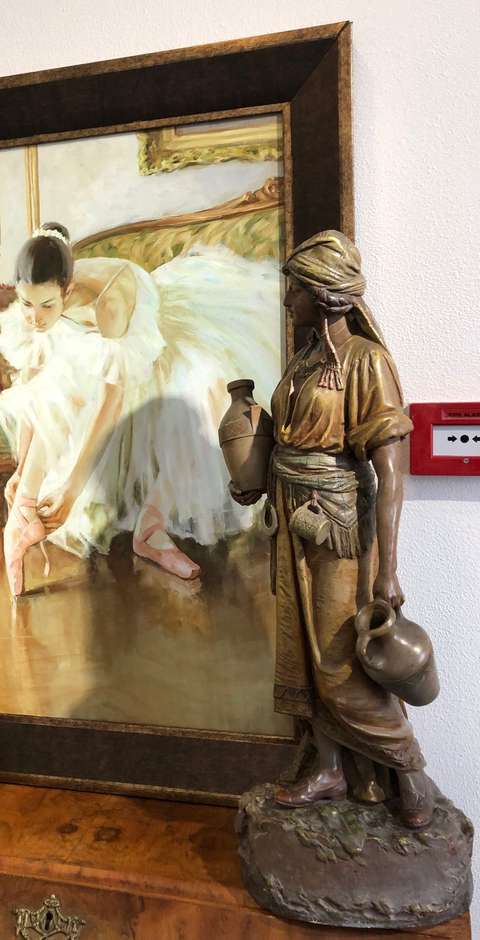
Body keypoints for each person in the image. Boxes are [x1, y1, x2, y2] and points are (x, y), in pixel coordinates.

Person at [232, 231, 433, 829]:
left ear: (322, 294)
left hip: (338, 528)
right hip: (292, 520)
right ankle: (328, 768)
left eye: (294, 288)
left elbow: (391, 472)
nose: (286, 298)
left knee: (340, 662)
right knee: (301, 652)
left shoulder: (367, 363)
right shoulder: (304, 362)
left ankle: (408, 769)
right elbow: (288, 444)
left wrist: (389, 570)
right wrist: (255, 477)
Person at [0, 223, 282, 596]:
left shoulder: (109, 304)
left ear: (67, 289)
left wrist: (71, 490)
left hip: (159, 329)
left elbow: (112, 402)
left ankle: (150, 528)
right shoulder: (36, 298)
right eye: (26, 304)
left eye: (47, 305)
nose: (35, 317)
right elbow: (35, 384)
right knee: (61, 384)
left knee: (203, 394)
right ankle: (22, 516)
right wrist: (21, 468)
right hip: (101, 342)